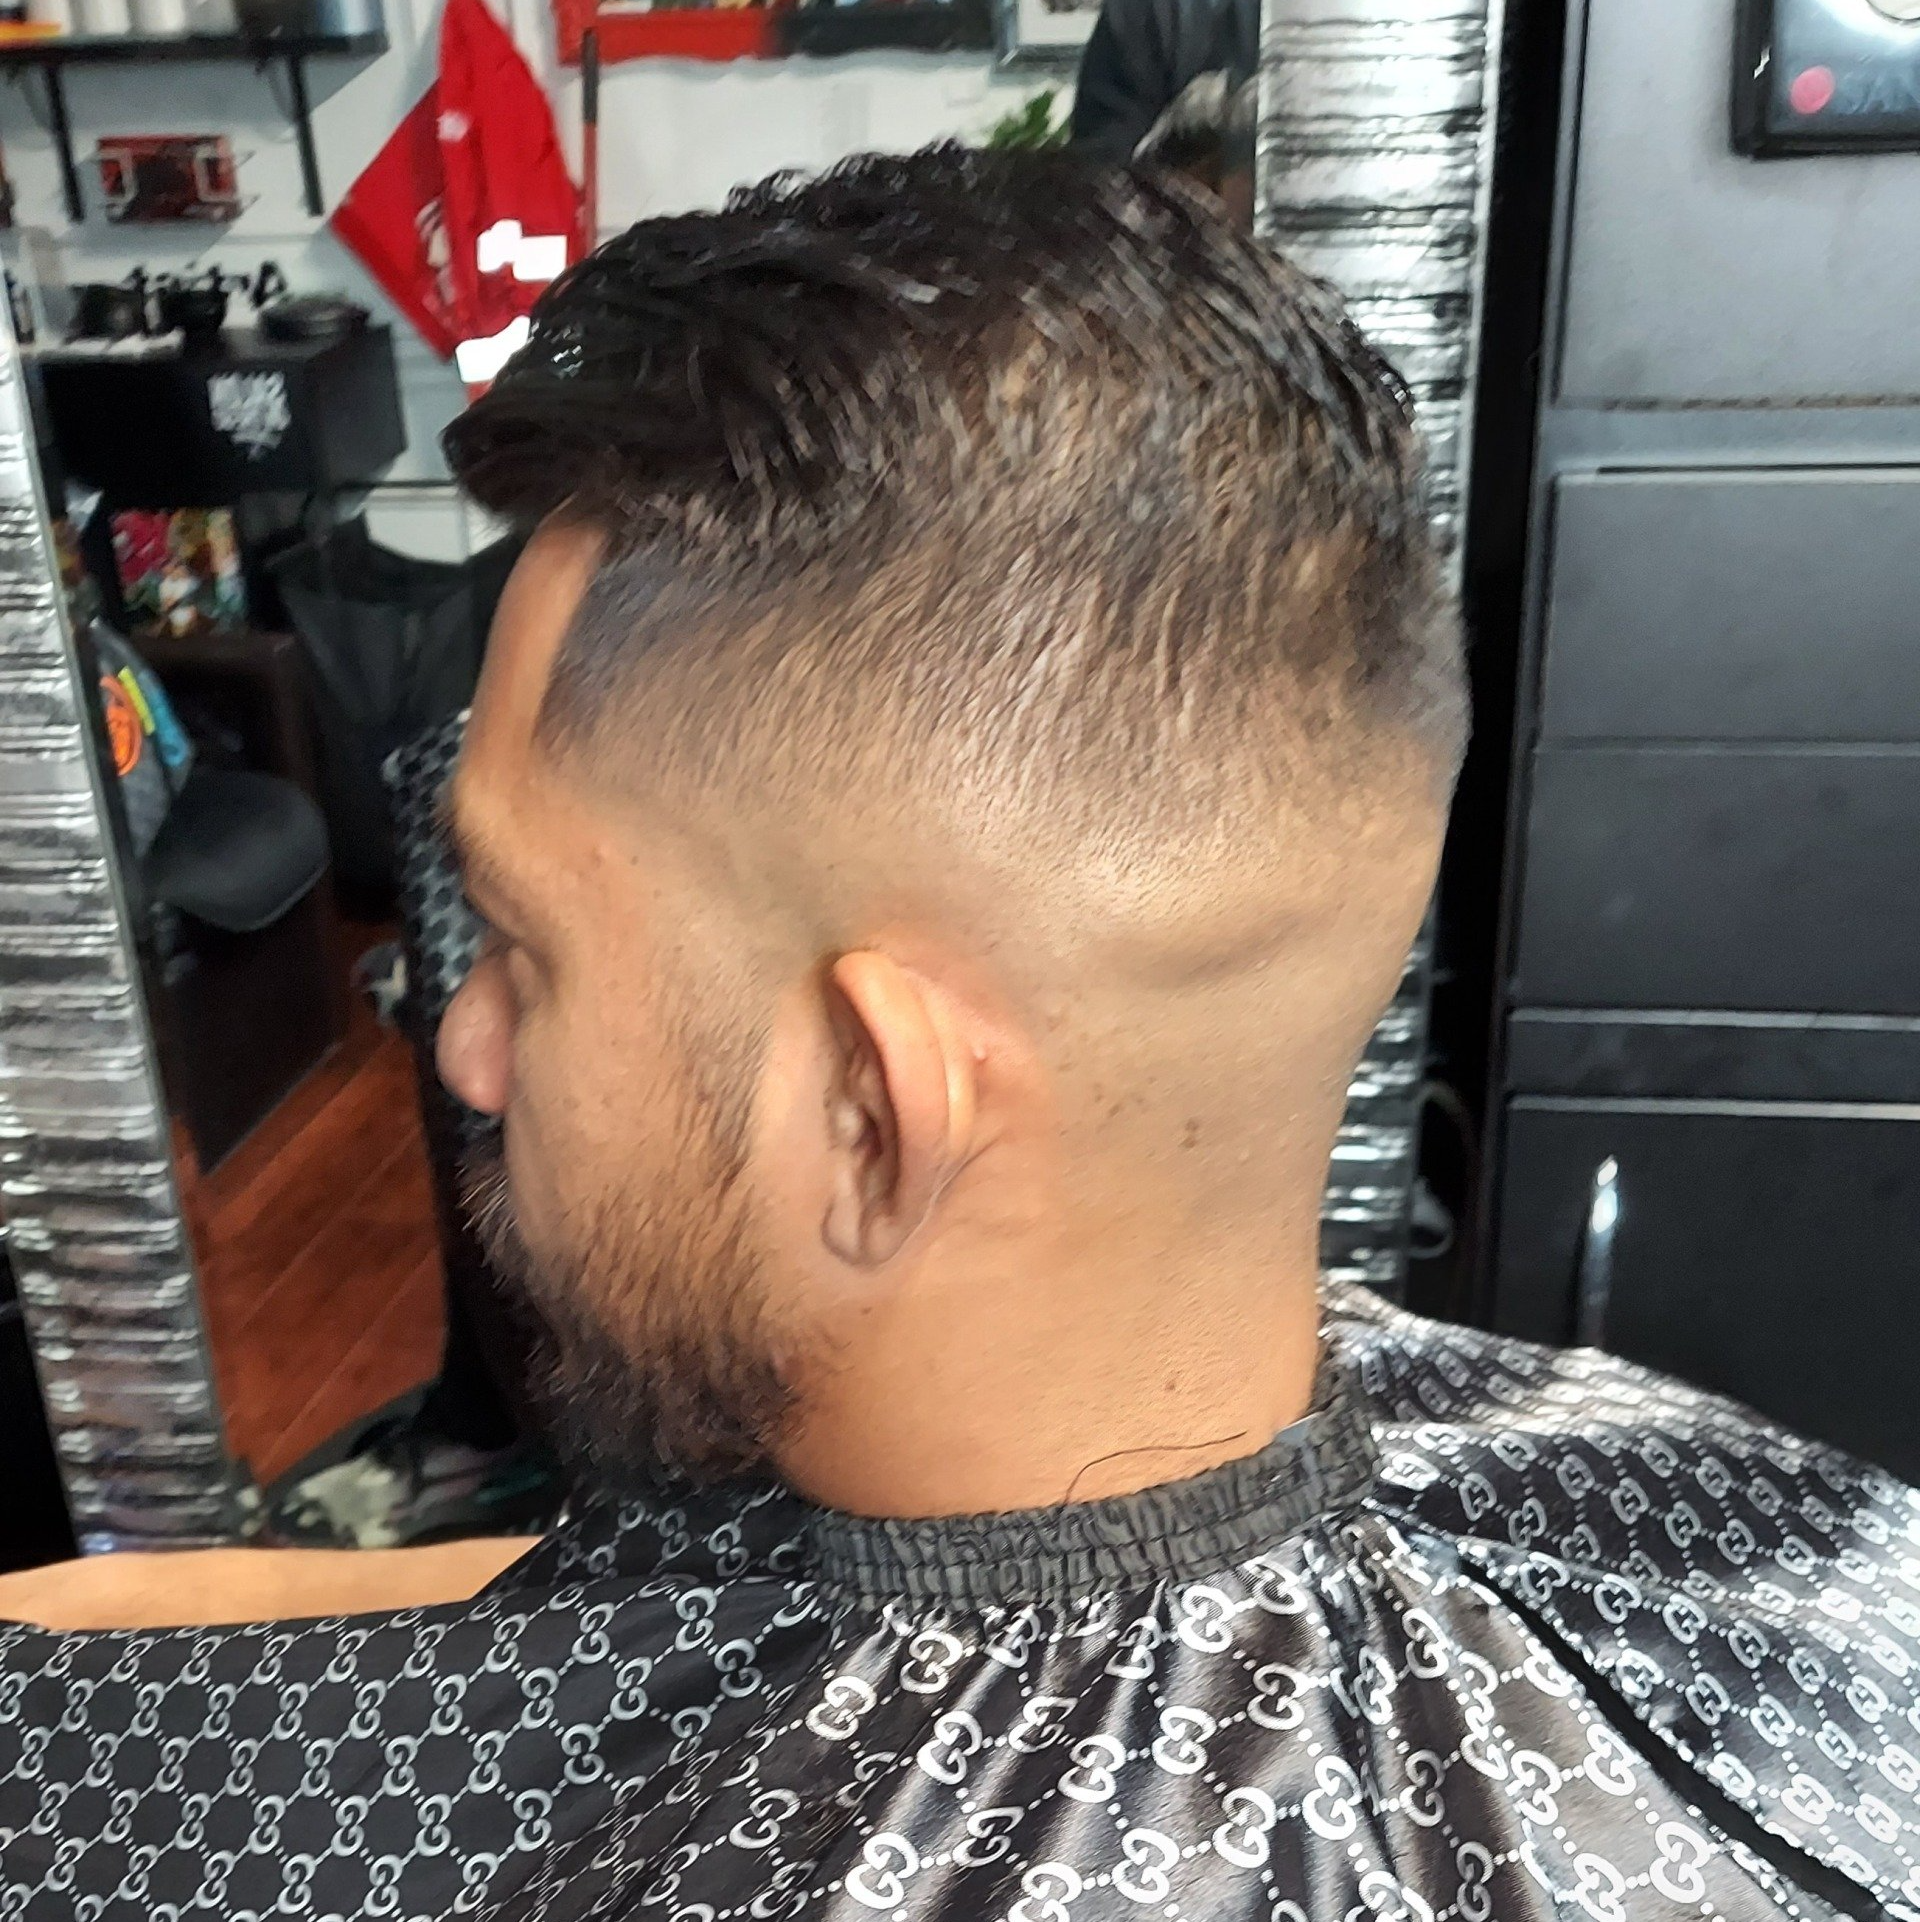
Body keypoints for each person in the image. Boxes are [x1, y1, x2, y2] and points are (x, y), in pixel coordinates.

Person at [1, 148, 1914, 1922]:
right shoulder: (1738, 1564)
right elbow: (558, 1628)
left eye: (514, 945)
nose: (468, 1051)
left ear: (872, 1111)